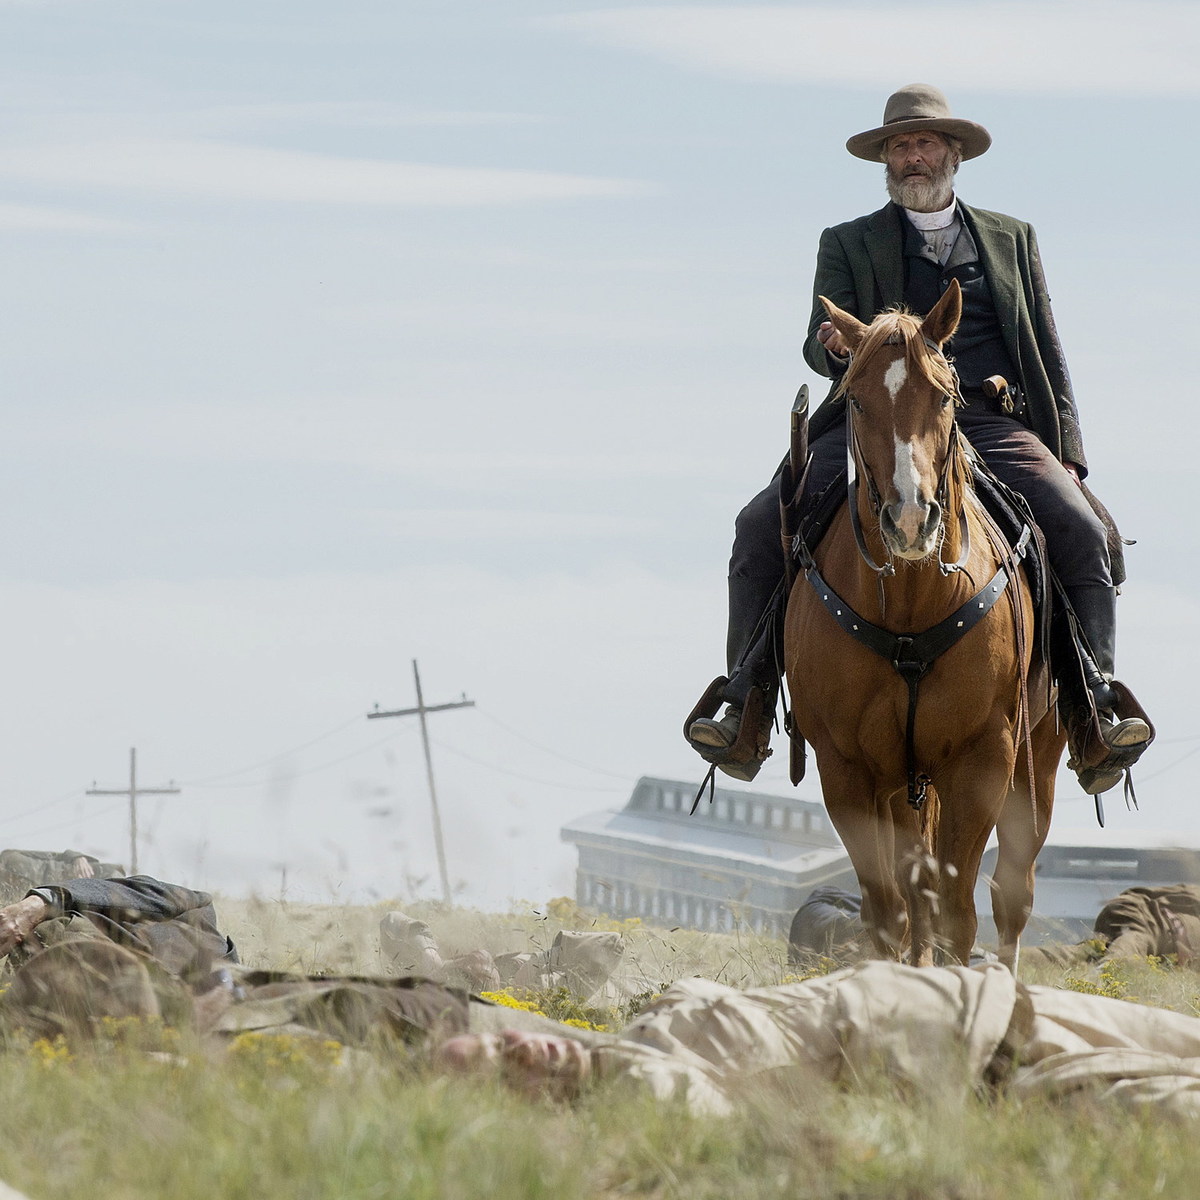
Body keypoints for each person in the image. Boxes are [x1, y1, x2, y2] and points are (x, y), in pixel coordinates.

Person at [686, 83, 1152, 797]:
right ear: (885, 160)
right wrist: (834, 347)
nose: (912, 156)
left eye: (924, 143)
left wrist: (1068, 453)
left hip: (990, 418)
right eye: (899, 146)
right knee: (756, 527)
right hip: (877, 420)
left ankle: (1094, 708)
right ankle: (745, 705)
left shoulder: (1013, 237)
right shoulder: (846, 241)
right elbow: (816, 345)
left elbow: (1046, 348)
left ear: (953, 154)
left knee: (1084, 531)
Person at [438, 959, 1200, 1119]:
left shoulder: (625, 1039)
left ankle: (1097, 698)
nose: (521, 1047)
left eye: (502, 1042)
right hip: (997, 1062)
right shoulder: (641, 1090)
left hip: (991, 994)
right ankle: (742, 702)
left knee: (1073, 565)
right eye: (507, 1071)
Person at [1023, 885, 1200, 970]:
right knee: (1126, 952)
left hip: (1124, 912)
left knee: (1085, 955)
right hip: (1148, 921)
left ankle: (1012, 958)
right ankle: (1106, 970)